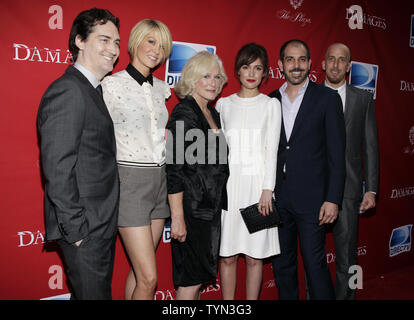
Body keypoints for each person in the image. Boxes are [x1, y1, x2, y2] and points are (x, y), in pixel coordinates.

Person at [37, 8, 120, 300]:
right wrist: (77, 232)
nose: (113, 49)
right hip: (85, 229)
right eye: (104, 40)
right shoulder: (69, 91)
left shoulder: (92, 90)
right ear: (80, 41)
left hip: (99, 224)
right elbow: (57, 168)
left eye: (117, 42)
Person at [268, 39, 346, 300]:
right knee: (283, 265)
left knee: (315, 265)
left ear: (311, 64)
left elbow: (337, 154)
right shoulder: (269, 102)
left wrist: (333, 198)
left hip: (313, 199)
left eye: (302, 60)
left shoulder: (327, 98)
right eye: (290, 59)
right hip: (278, 199)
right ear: (280, 65)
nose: (296, 65)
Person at [102, 19, 172, 300]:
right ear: (135, 42)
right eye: (151, 41)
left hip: (160, 181)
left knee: (139, 271)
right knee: (150, 278)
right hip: (129, 181)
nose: (157, 50)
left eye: (162, 45)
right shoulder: (111, 85)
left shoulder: (162, 88)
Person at [217, 43, 282, 300]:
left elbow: (272, 150)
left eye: (258, 68)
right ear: (238, 71)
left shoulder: (270, 105)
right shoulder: (224, 105)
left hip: (258, 189)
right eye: (246, 67)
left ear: (265, 72)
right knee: (228, 256)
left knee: (255, 258)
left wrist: (268, 189)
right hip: (229, 189)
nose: (252, 73)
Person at [166, 51, 229, 300]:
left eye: (217, 76)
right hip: (191, 211)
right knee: (190, 281)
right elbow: (174, 170)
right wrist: (178, 218)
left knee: (197, 281)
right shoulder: (184, 113)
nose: (213, 82)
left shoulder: (213, 114)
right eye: (206, 76)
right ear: (192, 79)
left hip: (208, 211)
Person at [322, 43, 378, 300]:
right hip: (313, 189)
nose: (335, 64)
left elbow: (370, 146)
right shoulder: (307, 96)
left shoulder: (362, 99)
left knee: (348, 256)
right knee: (314, 258)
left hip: (349, 189)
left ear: (348, 66)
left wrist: (372, 188)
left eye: (341, 60)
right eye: (331, 59)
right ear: (322, 64)